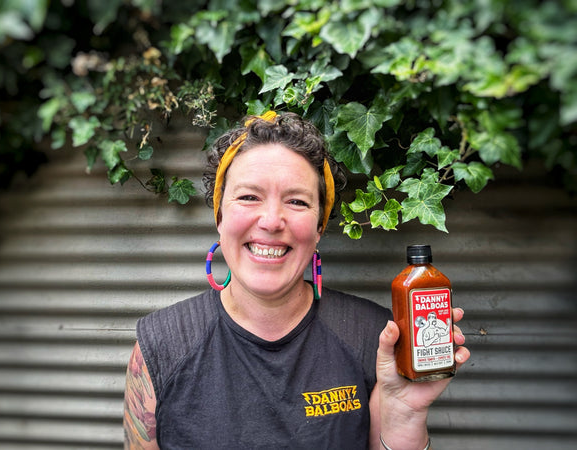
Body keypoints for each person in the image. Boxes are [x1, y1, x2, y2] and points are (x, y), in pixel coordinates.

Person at [123, 111, 470, 449]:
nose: (272, 221)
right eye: (248, 197)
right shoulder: (162, 345)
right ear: (220, 216)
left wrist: (406, 415)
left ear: (319, 228)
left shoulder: (375, 339)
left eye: (297, 201)